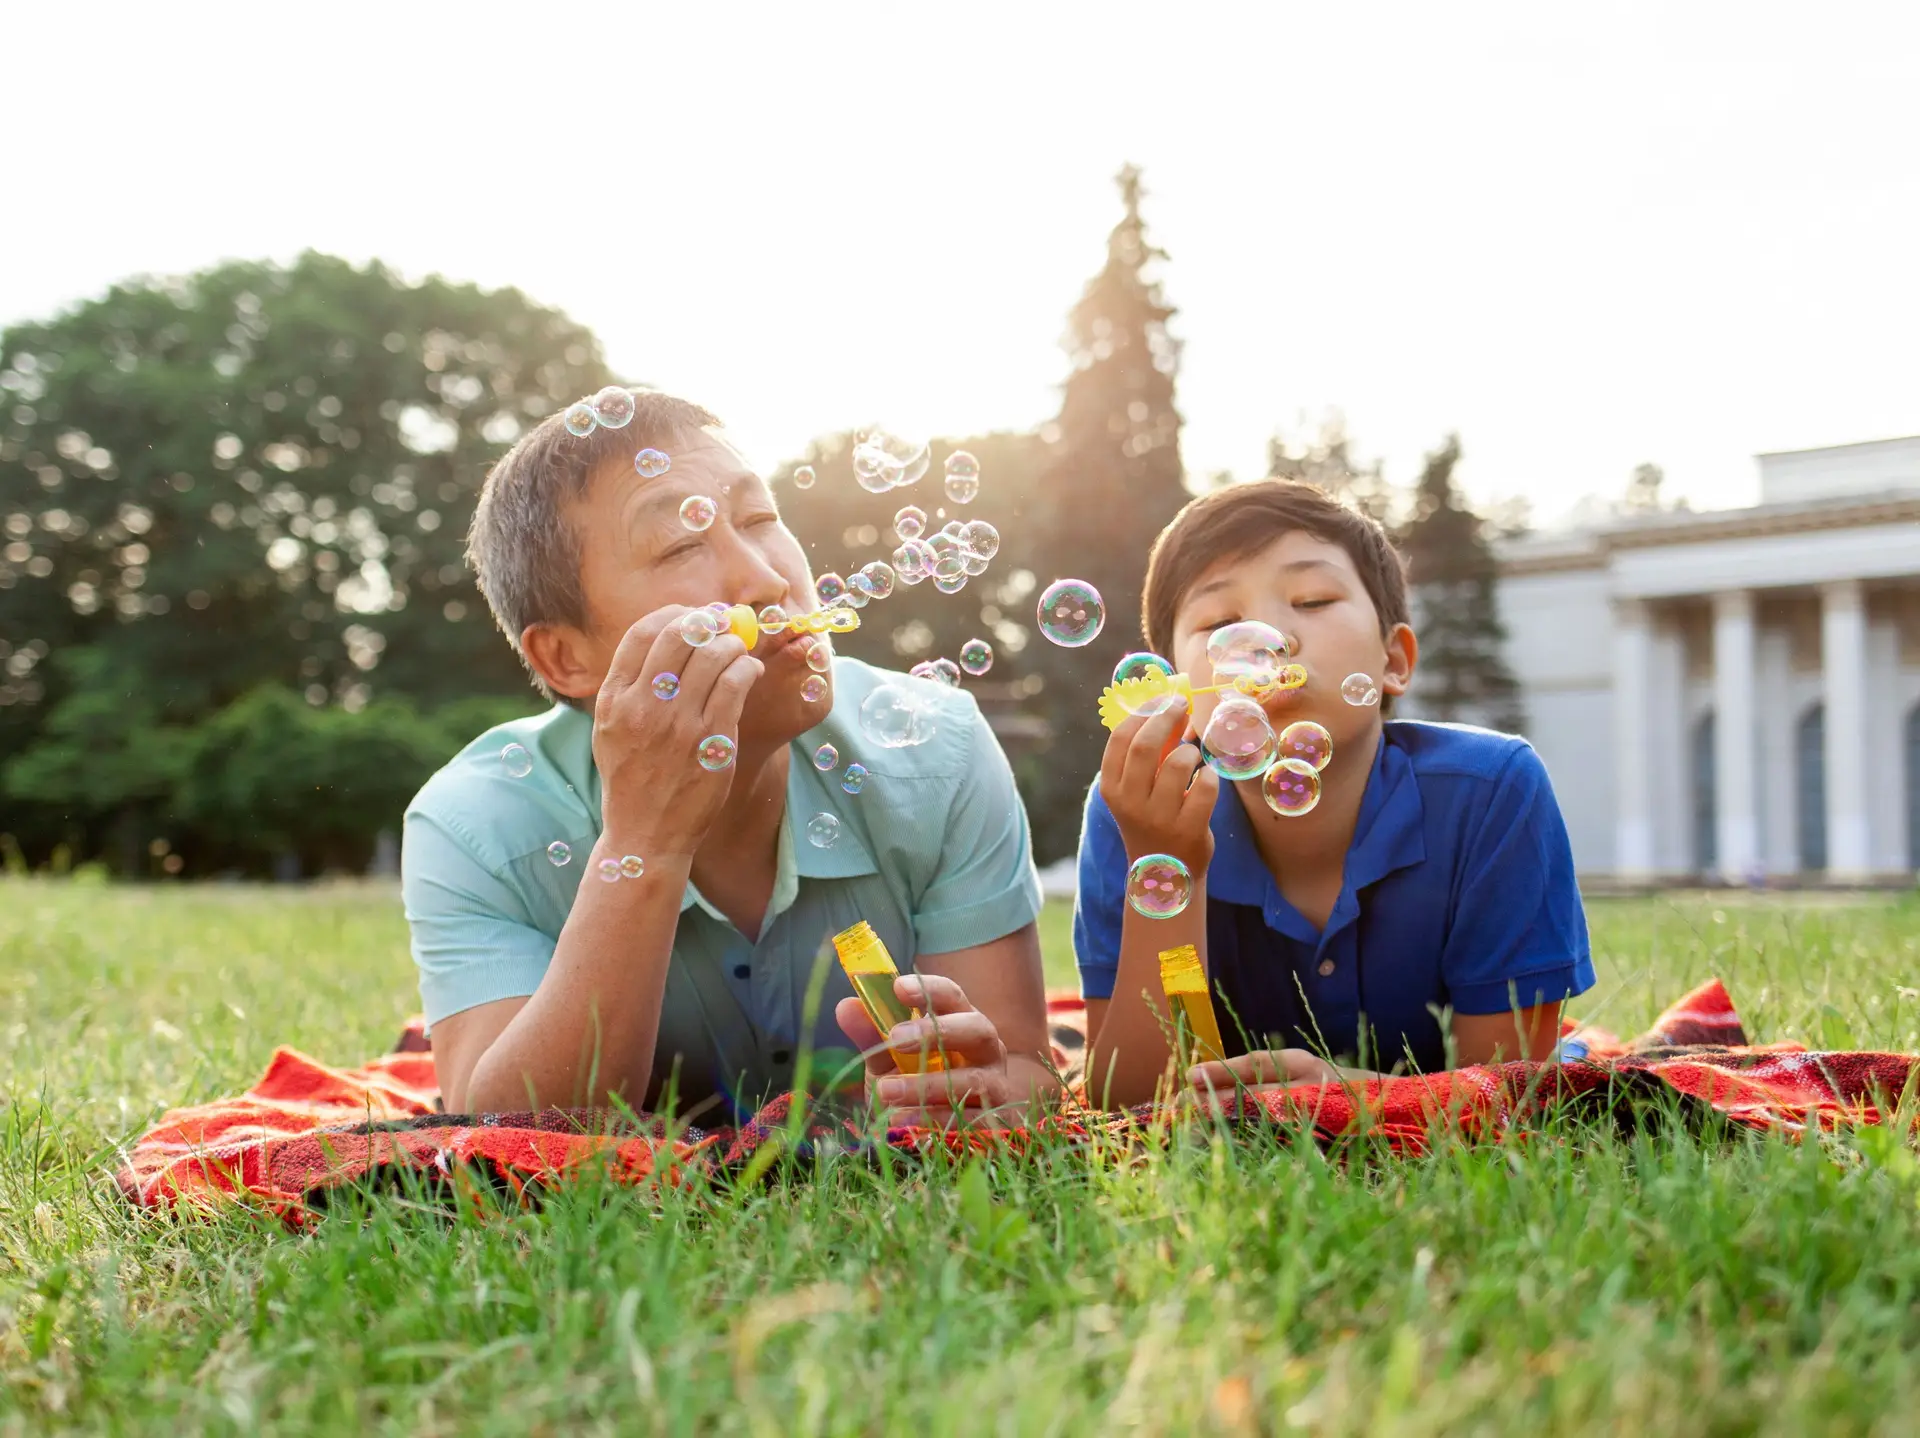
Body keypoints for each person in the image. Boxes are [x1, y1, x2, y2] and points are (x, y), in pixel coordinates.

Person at [403, 390, 1054, 1125]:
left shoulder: (938, 750)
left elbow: (1026, 1070)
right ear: (564, 656)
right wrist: (645, 842)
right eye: (682, 545)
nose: (767, 581)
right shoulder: (475, 824)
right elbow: (499, 1129)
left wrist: (985, 1089)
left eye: (759, 519)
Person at [1074, 480, 1593, 1108]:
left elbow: (1514, 1089)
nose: (1267, 643)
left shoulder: (1490, 790)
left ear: (1393, 660)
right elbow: (1127, 1102)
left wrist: (1363, 1100)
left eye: (1312, 600)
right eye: (1220, 624)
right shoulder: (1135, 809)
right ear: (1172, 692)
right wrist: (1170, 865)